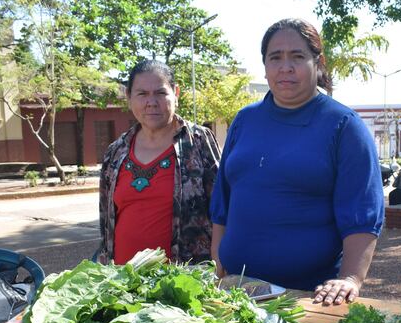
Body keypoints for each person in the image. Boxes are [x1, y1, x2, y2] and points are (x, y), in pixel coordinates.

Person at [210, 18, 384, 305]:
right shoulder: (244, 120)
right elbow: (222, 202)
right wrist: (218, 262)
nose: (285, 67)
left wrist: (351, 278)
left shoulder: (343, 126)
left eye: (298, 57)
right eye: (275, 57)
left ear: (319, 62)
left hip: (306, 297)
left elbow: (363, 212)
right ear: (265, 66)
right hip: (236, 290)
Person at [98, 60, 220, 265]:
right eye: (142, 94)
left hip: (186, 280)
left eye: (160, 93)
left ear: (176, 93)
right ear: (129, 97)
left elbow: (221, 205)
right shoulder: (116, 152)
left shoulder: (198, 141)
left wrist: (218, 258)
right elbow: (105, 219)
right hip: (123, 280)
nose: (151, 102)